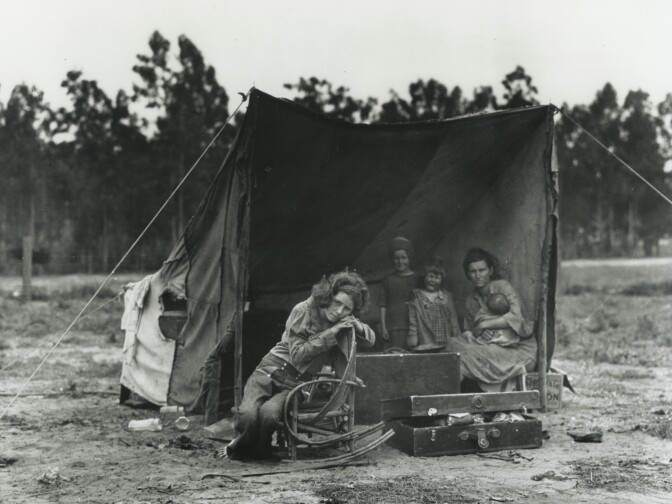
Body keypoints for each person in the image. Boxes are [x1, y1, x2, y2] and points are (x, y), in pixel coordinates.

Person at [226, 271, 375, 460]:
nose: (339, 312)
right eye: (337, 303)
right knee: (247, 416)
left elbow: (369, 340)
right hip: (269, 370)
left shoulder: (343, 322)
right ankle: (242, 447)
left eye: (347, 309)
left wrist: (357, 325)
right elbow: (297, 355)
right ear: (328, 296)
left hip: (296, 383)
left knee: (269, 415)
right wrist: (332, 332)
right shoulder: (303, 310)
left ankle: (261, 450)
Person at [447, 248, 537, 392]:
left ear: (490, 270)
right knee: (452, 344)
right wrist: (477, 333)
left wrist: (485, 324)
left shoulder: (502, 287)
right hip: (490, 346)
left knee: (463, 357)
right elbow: (471, 330)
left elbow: (516, 318)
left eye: (482, 270)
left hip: (519, 350)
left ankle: (452, 397)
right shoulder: (471, 300)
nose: (478, 275)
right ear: (467, 274)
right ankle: (448, 397)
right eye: (473, 271)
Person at [407, 258, 460, 349]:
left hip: (445, 339)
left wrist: (456, 336)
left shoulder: (445, 296)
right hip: (426, 339)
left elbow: (453, 319)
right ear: (424, 276)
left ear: (442, 280)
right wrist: (413, 337)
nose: (433, 280)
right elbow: (413, 321)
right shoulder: (417, 297)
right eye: (430, 276)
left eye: (437, 278)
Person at [379, 237, 418, 350]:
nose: (400, 262)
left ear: (409, 258)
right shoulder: (388, 279)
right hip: (394, 327)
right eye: (396, 258)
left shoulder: (418, 278)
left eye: (404, 258)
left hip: (414, 327)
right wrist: (383, 327)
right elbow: (382, 305)